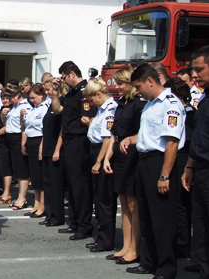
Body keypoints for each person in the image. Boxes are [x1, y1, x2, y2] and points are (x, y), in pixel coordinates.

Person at [121, 63, 185, 279]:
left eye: (139, 87)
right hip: (143, 162)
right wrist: (131, 139)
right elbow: (149, 136)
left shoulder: (171, 104)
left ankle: (166, 268)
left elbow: (171, 143)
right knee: (146, 216)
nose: (137, 92)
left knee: (162, 219)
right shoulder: (149, 104)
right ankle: (149, 261)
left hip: (159, 163)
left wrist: (164, 175)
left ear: (151, 81)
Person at [103, 66, 145, 264]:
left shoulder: (138, 105)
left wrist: (126, 142)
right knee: (124, 203)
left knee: (132, 204)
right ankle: (125, 246)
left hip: (131, 154)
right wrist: (107, 157)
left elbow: (140, 132)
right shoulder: (122, 104)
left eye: (120, 83)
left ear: (130, 84)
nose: (117, 87)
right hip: (119, 152)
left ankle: (134, 248)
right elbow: (114, 133)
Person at [51, 61, 97, 240]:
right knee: (72, 184)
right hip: (69, 141)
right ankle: (76, 221)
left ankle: (85, 225)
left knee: (80, 185)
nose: (62, 80)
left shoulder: (85, 91)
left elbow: (88, 116)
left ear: (71, 74)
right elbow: (57, 110)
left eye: (63, 77)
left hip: (80, 140)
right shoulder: (71, 93)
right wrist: (55, 93)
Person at [182, 45, 209, 279]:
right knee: (200, 227)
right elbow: (200, 135)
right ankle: (204, 270)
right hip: (200, 169)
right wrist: (190, 166)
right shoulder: (205, 97)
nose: (195, 75)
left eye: (200, 69)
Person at [82, 78, 118, 253]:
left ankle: (106, 239)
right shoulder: (101, 111)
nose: (90, 103)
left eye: (91, 99)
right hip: (94, 149)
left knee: (104, 199)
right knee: (98, 197)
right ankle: (101, 236)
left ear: (98, 94)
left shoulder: (110, 110)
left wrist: (99, 161)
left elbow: (107, 138)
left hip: (101, 153)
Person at [164, 77, 196, 260]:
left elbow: (188, 141)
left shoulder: (189, 114)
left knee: (182, 205)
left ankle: (183, 246)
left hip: (184, 159)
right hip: (177, 157)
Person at [21, 83, 51, 218]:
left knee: (40, 174)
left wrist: (41, 148)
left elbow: (45, 130)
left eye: (34, 97)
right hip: (31, 141)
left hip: (40, 140)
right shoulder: (33, 109)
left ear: (41, 96)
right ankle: (36, 203)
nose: (32, 100)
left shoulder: (44, 108)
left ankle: (43, 205)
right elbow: (26, 127)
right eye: (30, 98)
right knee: (34, 175)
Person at [39, 78, 66, 227]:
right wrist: (42, 146)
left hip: (56, 149)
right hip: (47, 148)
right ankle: (49, 215)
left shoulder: (60, 104)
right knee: (47, 184)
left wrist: (57, 150)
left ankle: (57, 216)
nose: (47, 92)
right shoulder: (50, 105)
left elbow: (62, 129)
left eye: (49, 89)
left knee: (56, 186)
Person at [1, 85, 32, 210]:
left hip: (19, 137)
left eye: (9, 97)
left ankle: (22, 198)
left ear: (16, 96)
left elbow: (24, 126)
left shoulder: (24, 105)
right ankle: (20, 197)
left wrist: (23, 143)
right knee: (17, 169)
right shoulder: (13, 107)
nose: (7, 100)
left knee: (22, 169)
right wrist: (3, 115)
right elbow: (6, 124)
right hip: (11, 137)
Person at [0, 88, 13, 204]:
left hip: (4, 142)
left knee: (5, 167)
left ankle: (7, 193)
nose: (5, 100)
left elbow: (7, 126)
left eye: (7, 98)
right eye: (3, 98)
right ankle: (0, 188)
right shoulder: (1, 109)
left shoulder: (11, 109)